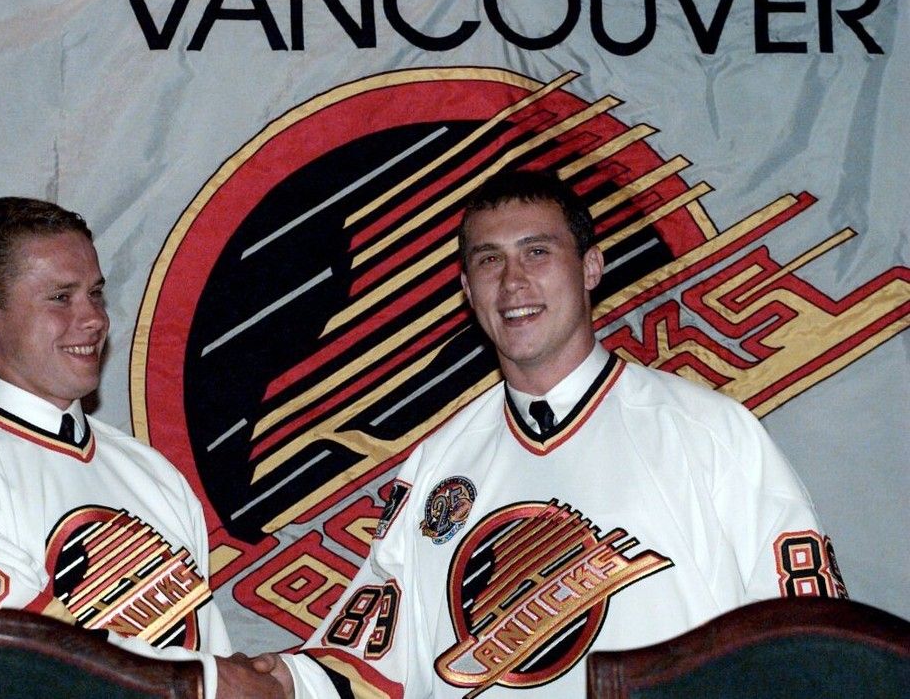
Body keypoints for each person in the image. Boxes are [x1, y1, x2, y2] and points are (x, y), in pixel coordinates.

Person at [246, 169, 846, 698]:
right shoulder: (437, 465)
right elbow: (368, 665)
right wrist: (279, 683)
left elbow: (812, 646)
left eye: (536, 252)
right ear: (465, 290)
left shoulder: (709, 433)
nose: (512, 283)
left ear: (591, 267)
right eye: (488, 260)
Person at [0, 198, 283, 699]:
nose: (93, 319)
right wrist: (209, 682)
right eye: (60, 298)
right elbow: (15, 658)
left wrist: (228, 679)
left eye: (96, 293)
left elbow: (210, 653)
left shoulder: (149, 470)